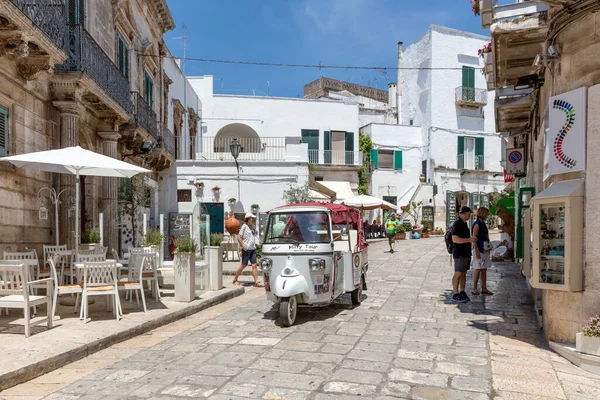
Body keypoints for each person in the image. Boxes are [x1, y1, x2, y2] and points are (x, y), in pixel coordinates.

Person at [451, 206, 477, 303]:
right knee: (458, 273)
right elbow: (455, 239)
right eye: (468, 213)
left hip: (465, 252)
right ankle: (455, 293)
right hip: (459, 253)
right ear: (463, 213)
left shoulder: (464, 224)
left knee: (463, 273)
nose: (469, 215)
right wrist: (469, 240)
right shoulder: (457, 224)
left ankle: (462, 291)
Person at [233, 212, 263, 287]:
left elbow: (255, 235)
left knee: (254, 265)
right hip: (246, 249)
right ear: (248, 219)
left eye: (253, 218)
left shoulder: (253, 226)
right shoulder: (244, 226)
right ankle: (235, 279)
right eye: (251, 218)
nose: (252, 219)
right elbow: (239, 237)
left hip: (253, 248)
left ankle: (256, 282)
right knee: (244, 265)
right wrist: (243, 246)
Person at [472, 207, 493, 295]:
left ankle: (484, 288)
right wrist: (476, 251)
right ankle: (474, 288)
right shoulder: (477, 224)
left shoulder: (482, 223)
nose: (488, 215)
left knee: (484, 269)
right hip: (479, 249)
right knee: (478, 268)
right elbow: (474, 238)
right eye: (487, 213)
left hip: (484, 248)